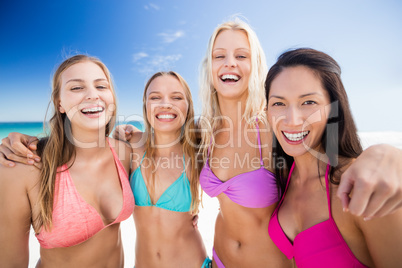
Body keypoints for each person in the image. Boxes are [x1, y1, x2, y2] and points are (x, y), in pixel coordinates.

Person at [196, 18, 402, 268]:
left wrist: (388, 154)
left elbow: (333, 152)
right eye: (219, 56)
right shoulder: (204, 131)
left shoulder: (272, 128)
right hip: (218, 260)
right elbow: (162, 141)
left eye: (241, 55)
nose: (230, 62)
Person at [266, 48, 402, 267]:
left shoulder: (362, 189)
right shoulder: (281, 176)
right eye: (279, 103)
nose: (291, 120)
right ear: (267, 112)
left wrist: (393, 154)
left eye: (308, 102)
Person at [0, 55, 134, 267]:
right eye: (76, 88)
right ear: (59, 104)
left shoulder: (126, 152)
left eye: (101, 86)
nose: (93, 95)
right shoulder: (24, 167)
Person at [129, 71, 210, 267]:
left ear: (188, 106)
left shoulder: (198, 150)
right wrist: (43, 144)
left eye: (176, 97)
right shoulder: (130, 145)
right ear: (145, 105)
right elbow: (81, 149)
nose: (166, 104)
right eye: (155, 97)